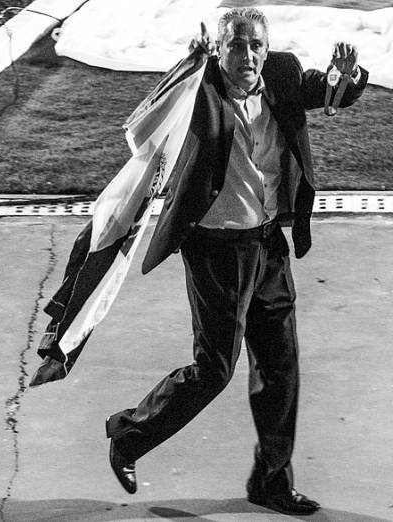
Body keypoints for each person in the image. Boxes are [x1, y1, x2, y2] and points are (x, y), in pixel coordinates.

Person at [103, 7, 368, 516]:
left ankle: (271, 482)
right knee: (215, 369)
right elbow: (139, 137)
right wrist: (184, 71)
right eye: (237, 45)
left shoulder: (282, 73)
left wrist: (346, 77)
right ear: (219, 49)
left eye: (256, 45)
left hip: (267, 245)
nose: (248, 55)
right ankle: (128, 434)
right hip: (216, 250)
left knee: (280, 368)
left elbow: (326, 89)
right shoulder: (196, 87)